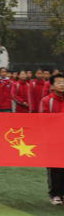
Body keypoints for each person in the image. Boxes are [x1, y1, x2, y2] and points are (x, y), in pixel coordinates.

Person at [38, 73, 64, 205]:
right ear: (52, 86)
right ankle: (55, 194)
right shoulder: (47, 101)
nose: (62, 85)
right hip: (53, 140)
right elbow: (43, 120)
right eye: (59, 83)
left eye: (63, 82)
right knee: (55, 168)